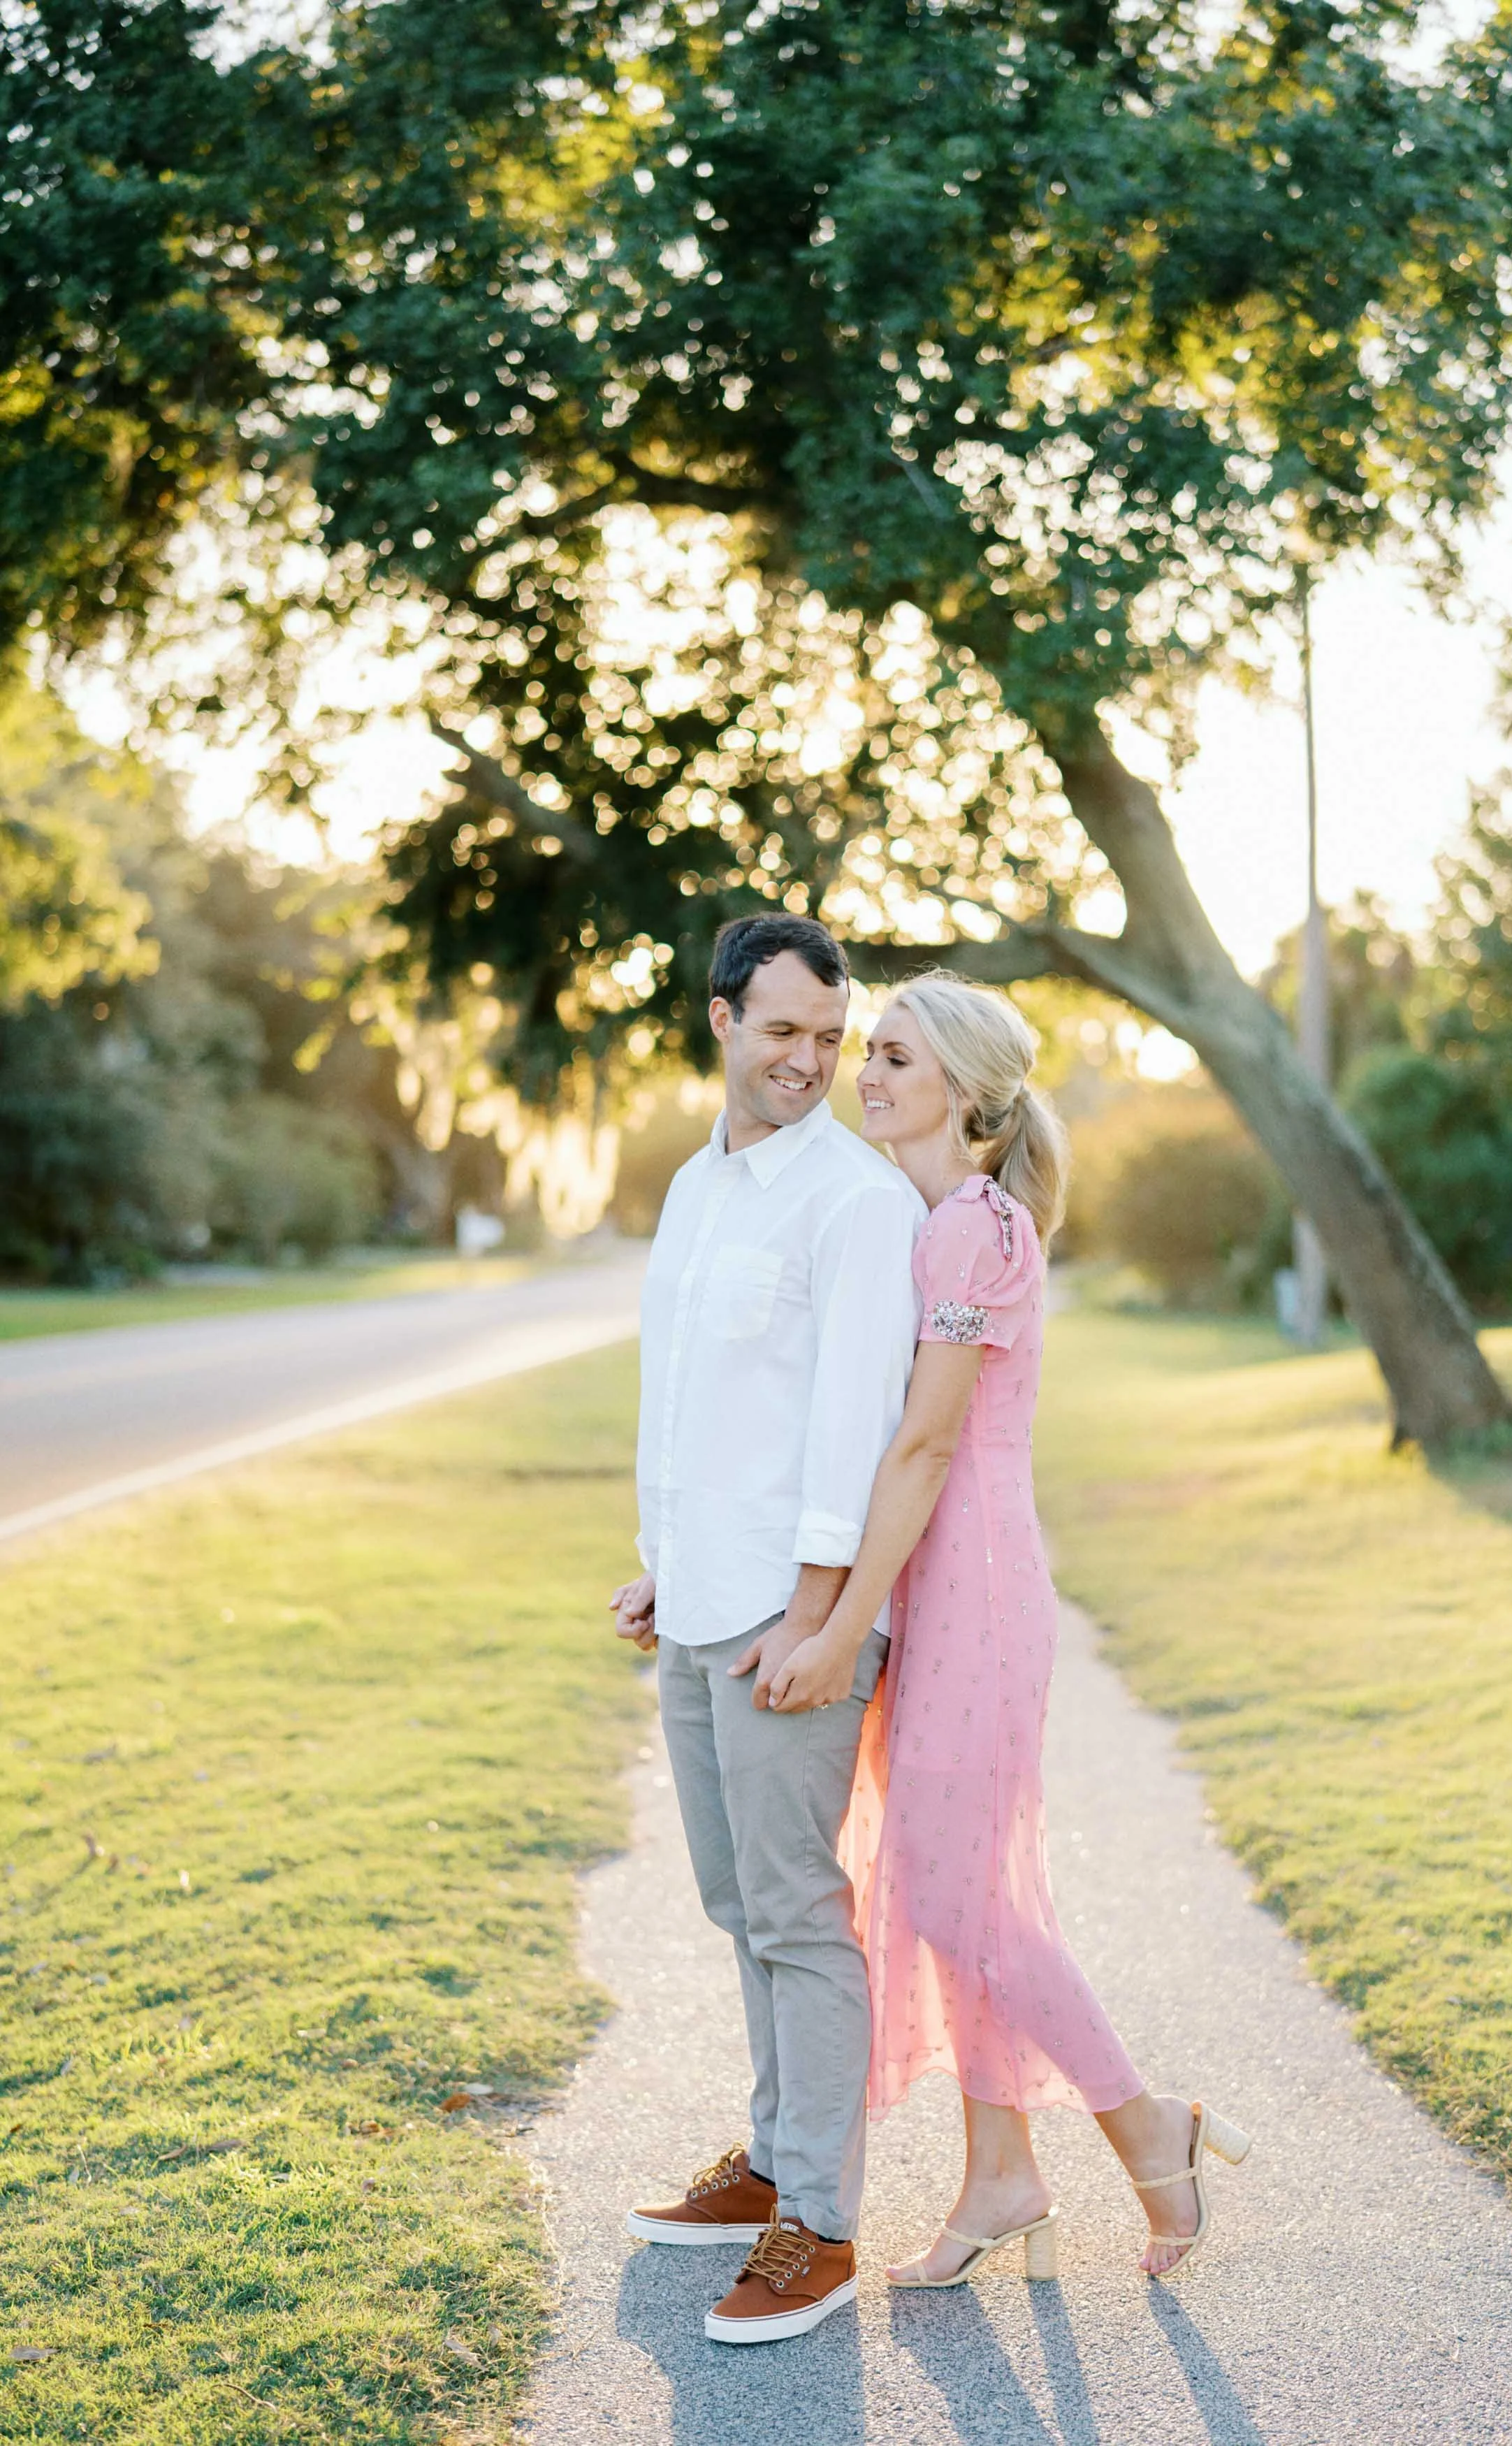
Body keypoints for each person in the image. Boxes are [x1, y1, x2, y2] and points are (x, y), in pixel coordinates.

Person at [764, 972, 1251, 2286]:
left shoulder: (976, 1230)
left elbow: (924, 1448)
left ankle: (1148, 2123)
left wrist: (838, 1626)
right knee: (952, 1888)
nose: (867, 1075)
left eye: (898, 1059)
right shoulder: (904, 1219)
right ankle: (1000, 2176)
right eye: (871, 1053)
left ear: (968, 1097)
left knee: (955, 1889)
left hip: (971, 1589)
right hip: (925, 1591)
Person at [607, 913, 924, 2345]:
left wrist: (813, 1622)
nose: (809, 1060)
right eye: (783, 1030)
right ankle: (770, 2160)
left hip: (787, 1624)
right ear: (721, 1022)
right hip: (702, 1600)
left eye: (828, 1035)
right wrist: (661, 1565)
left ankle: (823, 2224)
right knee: (737, 1902)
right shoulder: (694, 1186)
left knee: (798, 1914)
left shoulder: (854, 1204)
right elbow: (691, 1397)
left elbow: (852, 1427)